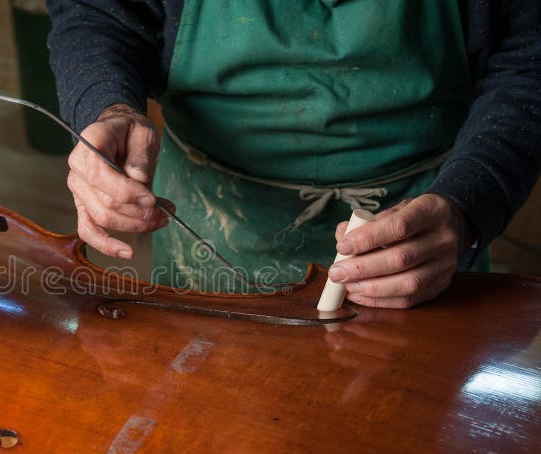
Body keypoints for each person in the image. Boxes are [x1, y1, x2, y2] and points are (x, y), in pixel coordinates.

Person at [46, 0, 540, 307]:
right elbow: (97, 11)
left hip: (425, 229)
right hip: (214, 227)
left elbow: (529, 57)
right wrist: (106, 105)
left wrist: (469, 204)